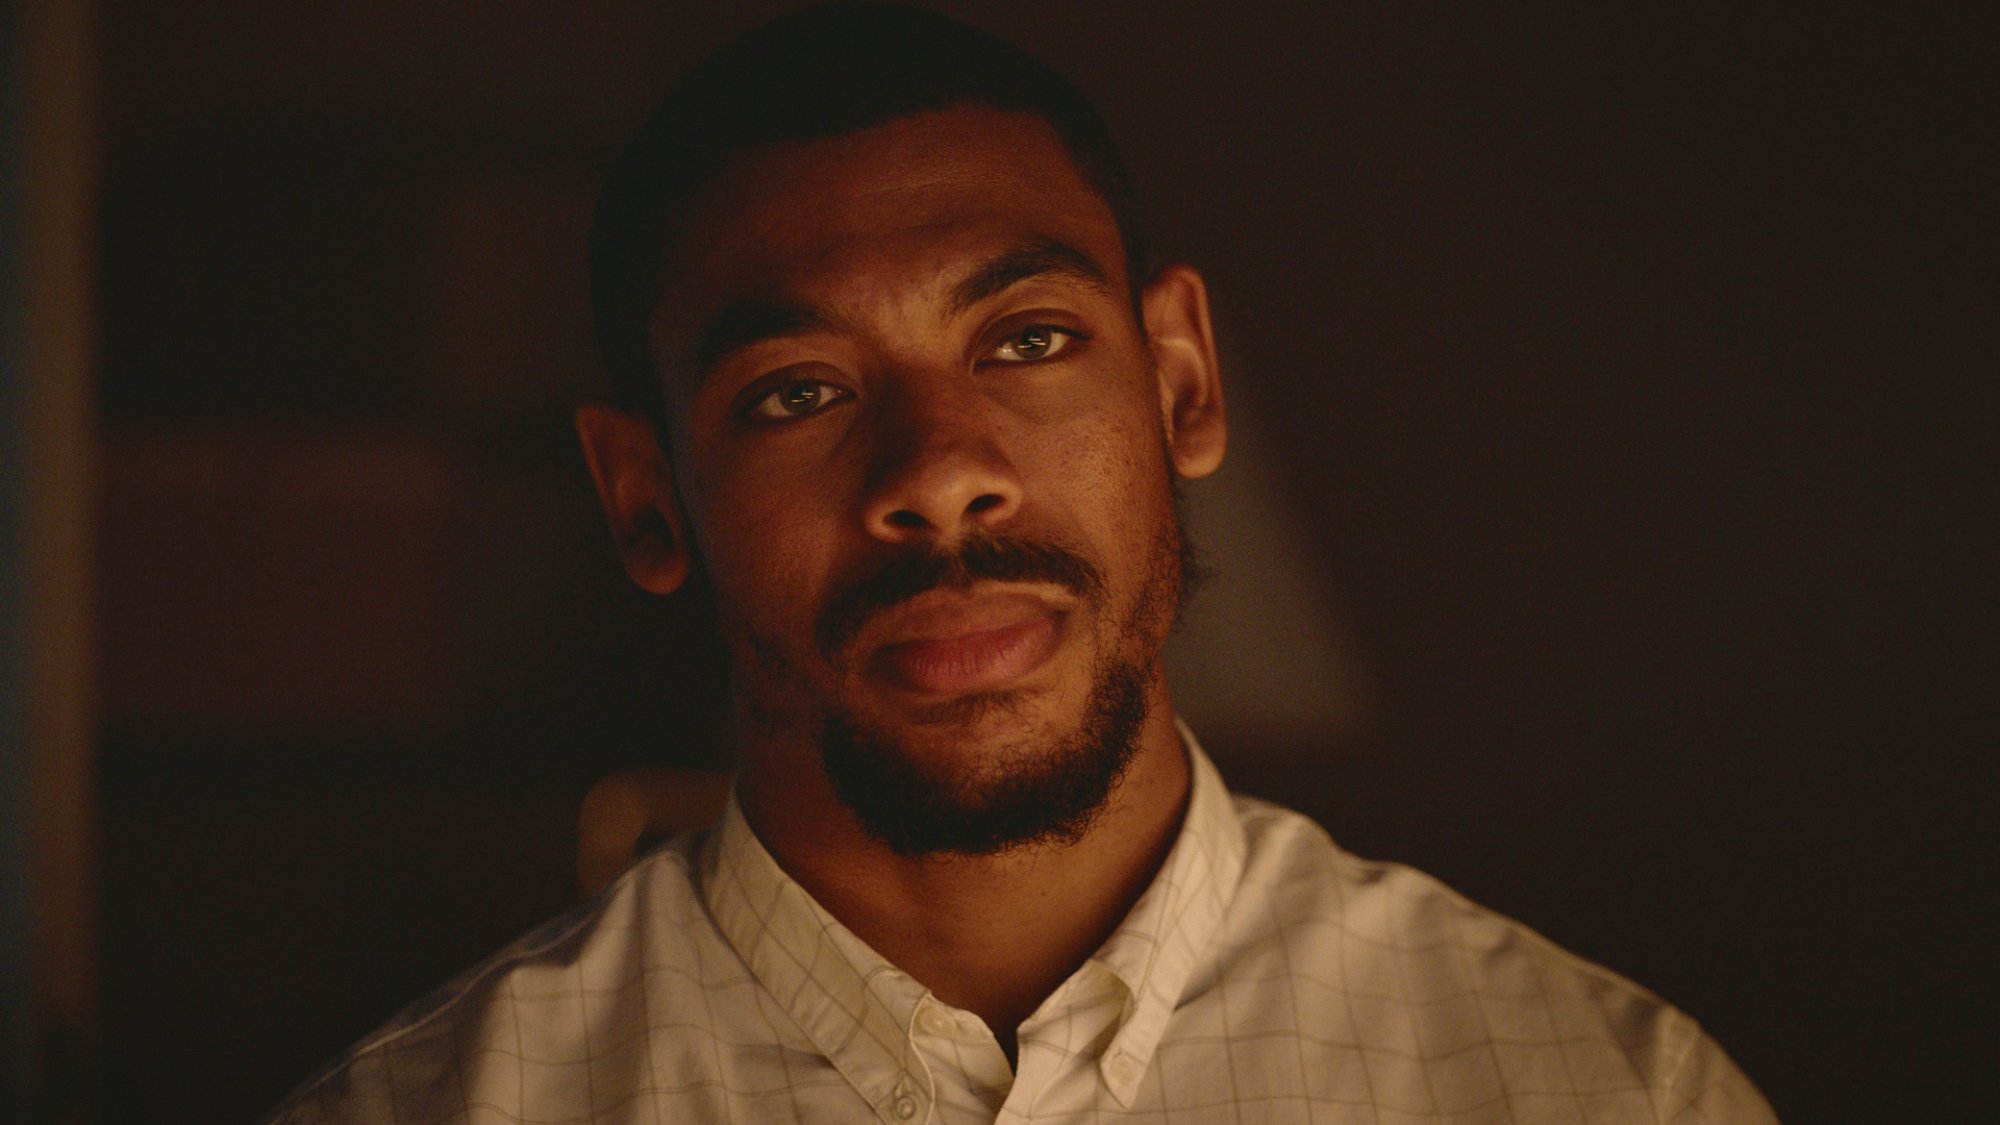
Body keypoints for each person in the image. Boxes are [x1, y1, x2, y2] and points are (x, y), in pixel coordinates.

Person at [267, 4, 1776, 1122]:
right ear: (644, 496)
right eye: (798, 390)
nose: (938, 471)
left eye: (1029, 339)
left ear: (1182, 378)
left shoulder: (1600, 1094)